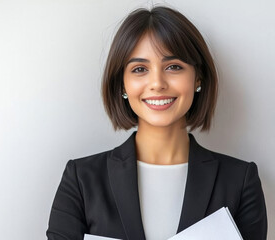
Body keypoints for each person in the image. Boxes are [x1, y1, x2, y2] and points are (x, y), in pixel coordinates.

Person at [46, 6, 267, 240]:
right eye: (140, 69)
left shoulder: (240, 181)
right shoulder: (81, 180)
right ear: (122, 85)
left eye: (173, 67)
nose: (157, 83)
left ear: (198, 78)